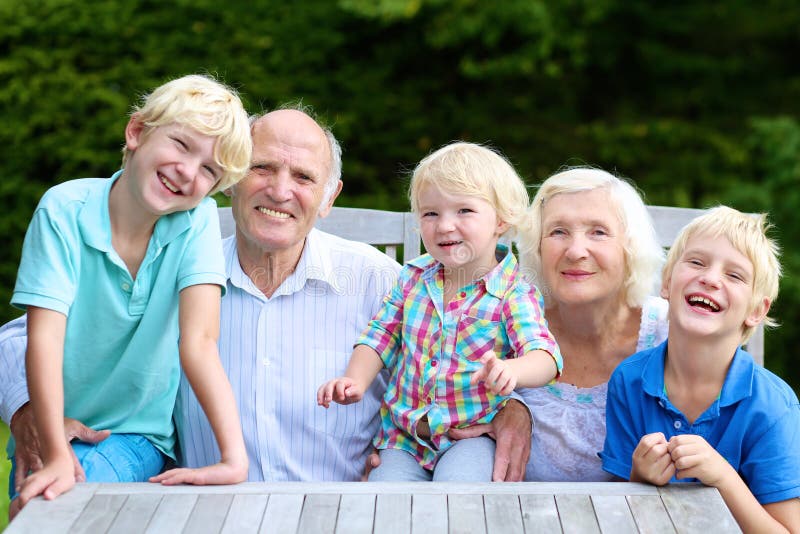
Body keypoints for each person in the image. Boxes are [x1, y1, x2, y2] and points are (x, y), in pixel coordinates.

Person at [1, 110, 536, 490]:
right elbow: (21, 336)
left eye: (303, 177)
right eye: (262, 168)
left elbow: (478, 340)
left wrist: (515, 406)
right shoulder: (184, 260)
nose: (280, 191)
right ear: (233, 179)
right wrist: (28, 405)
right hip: (205, 515)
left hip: (344, 517)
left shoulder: (381, 280)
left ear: (329, 198)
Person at [8, 74, 252, 510]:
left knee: (59, 504)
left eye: (209, 170)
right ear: (137, 132)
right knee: (44, 497)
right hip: (56, 426)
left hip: (138, 434)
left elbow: (199, 342)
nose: (188, 171)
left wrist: (233, 457)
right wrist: (57, 451)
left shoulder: (195, 221)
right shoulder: (64, 210)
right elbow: (43, 337)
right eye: (181, 144)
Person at [319, 142, 562, 481]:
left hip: (470, 436)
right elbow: (381, 335)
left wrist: (513, 369)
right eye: (431, 213)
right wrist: (355, 379)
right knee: (384, 501)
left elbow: (545, 355)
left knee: (460, 498)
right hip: (403, 438)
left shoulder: (513, 291)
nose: (445, 226)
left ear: (501, 220)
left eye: (464, 211)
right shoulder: (414, 278)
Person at [601, 206, 800, 532]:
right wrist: (639, 475)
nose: (709, 278)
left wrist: (723, 477)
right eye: (696, 262)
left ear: (756, 310)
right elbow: (618, 518)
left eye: (734, 275)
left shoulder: (774, 407)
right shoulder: (629, 381)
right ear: (667, 282)